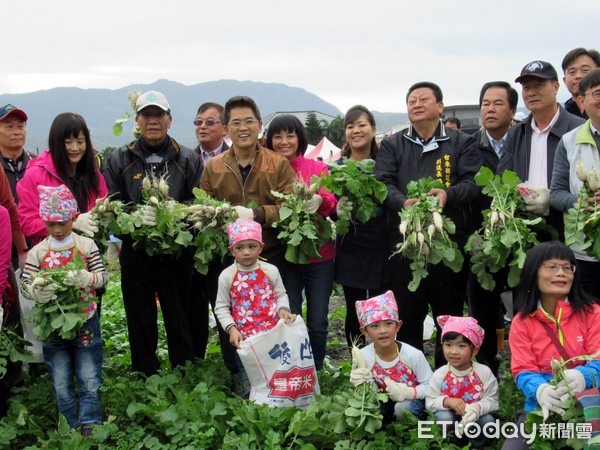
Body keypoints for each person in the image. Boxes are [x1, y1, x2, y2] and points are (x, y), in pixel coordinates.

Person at [375, 82, 482, 367]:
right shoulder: (392, 143)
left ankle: (448, 377)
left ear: (440, 106)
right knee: (408, 315)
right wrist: (402, 202)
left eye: (424, 99)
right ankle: (413, 379)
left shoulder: (461, 142)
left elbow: (474, 183)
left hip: (448, 246)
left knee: (448, 316)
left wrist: (449, 194)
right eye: (412, 100)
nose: (417, 104)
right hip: (407, 249)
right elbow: (382, 182)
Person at [103, 90, 202, 376]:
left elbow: (197, 201)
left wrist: (174, 216)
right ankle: (145, 371)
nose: (153, 121)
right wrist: (135, 218)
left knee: (178, 313)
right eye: (147, 115)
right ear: (138, 120)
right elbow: (113, 205)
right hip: (136, 251)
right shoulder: (120, 158)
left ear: (169, 120)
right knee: (139, 314)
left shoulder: (187, 158)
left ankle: (184, 369)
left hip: (176, 251)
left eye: (159, 115)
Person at [200, 95, 296, 384]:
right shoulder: (213, 167)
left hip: (272, 253)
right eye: (236, 122)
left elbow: (291, 208)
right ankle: (239, 375)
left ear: (259, 125)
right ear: (227, 128)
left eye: (249, 121)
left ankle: (280, 374)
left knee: (277, 314)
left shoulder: (277, 164)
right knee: (230, 316)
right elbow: (204, 211)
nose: (243, 128)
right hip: (229, 259)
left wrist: (256, 213)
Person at [20, 185, 108, 437]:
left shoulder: (86, 245)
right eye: (50, 224)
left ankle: (90, 425)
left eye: (62, 223)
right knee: (60, 381)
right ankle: (70, 427)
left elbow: (103, 277)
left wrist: (87, 278)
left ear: (73, 217)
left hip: (86, 321)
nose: (57, 230)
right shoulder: (38, 252)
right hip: (53, 325)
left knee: (89, 376)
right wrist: (35, 291)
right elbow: (26, 283)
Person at [503, 241, 600, 450]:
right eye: (552, 266)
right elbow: (523, 370)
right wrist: (541, 390)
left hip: (591, 405)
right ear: (533, 272)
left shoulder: (593, 313)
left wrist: (584, 376)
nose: (562, 273)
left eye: (567, 267)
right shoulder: (522, 322)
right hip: (541, 408)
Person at [265, 114, 337, 371]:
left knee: (318, 320)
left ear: (300, 138)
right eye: (278, 136)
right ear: (270, 141)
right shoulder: (268, 171)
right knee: (289, 317)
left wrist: (321, 202)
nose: (284, 142)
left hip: (320, 257)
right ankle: (294, 369)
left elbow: (331, 202)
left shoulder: (316, 168)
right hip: (286, 258)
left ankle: (315, 369)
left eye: (290, 135)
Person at [497, 60, 585, 240]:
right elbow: (503, 177)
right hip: (525, 228)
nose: (532, 92)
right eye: (526, 88)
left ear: (556, 87)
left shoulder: (578, 130)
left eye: (539, 85)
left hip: (569, 226)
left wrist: (552, 198)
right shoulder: (516, 133)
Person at [467, 81, 518, 376]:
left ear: (512, 110)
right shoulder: (470, 144)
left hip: (518, 240)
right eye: (485, 103)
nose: (490, 109)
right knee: (483, 307)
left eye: (498, 103)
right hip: (481, 243)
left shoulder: (522, 141)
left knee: (522, 305)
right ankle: (488, 365)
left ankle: (525, 365)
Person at [214, 218, 295, 398]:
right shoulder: (227, 276)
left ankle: (277, 405)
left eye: (252, 246)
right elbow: (221, 307)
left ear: (261, 247)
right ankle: (250, 414)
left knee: (276, 375)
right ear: (231, 250)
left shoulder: (270, 270)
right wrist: (232, 329)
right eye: (239, 247)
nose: (246, 252)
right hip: (245, 342)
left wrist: (283, 309)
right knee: (249, 381)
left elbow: (281, 294)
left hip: (272, 336)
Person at [335, 105, 389, 348]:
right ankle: (358, 361)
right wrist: (336, 210)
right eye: (350, 126)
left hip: (384, 244)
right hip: (350, 245)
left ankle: (385, 360)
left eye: (361, 125)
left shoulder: (386, 165)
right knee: (354, 307)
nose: (356, 130)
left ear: (373, 129)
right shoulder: (335, 169)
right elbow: (329, 207)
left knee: (382, 307)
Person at [17, 113, 106, 244]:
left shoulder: (93, 174)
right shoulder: (36, 175)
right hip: (53, 256)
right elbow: (28, 223)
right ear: (56, 142)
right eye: (68, 142)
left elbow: (104, 206)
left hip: (90, 252)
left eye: (80, 142)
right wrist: (71, 222)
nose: (75, 148)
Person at [551, 68, 600, 300]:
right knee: (590, 320)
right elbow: (557, 193)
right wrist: (582, 201)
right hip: (585, 252)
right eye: (598, 93)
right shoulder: (569, 141)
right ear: (581, 101)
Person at [349, 290, 432, 426]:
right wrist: (362, 383)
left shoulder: (413, 355)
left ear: (398, 326)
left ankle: (407, 432)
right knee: (369, 408)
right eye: (375, 326)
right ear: (364, 331)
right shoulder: (365, 356)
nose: (383, 330)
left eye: (388, 324)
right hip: (384, 399)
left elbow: (430, 386)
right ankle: (386, 426)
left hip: (414, 400)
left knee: (402, 409)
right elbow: (372, 390)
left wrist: (408, 392)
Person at [189, 102, 230, 360]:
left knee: (225, 304)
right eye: (198, 122)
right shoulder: (186, 159)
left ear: (224, 128)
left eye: (210, 122)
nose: (203, 126)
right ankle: (195, 359)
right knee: (193, 306)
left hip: (225, 247)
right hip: (193, 246)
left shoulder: (234, 158)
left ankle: (232, 362)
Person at [426, 315, 498, 449]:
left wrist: (477, 409)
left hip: (475, 418)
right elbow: (430, 402)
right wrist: (447, 402)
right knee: (444, 418)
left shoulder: (483, 373)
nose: (453, 351)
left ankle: (476, 445)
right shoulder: (440, 375)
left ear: (474, 350)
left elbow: (493, 401)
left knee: (488, 422)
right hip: (449, 417)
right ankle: (452, 444)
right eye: (448, 345)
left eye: (461, 346)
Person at [561, 48, 600, 119]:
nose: (578, 76)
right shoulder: (561, 117)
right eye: (572, 72)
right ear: (564, 80)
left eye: (585, 70)